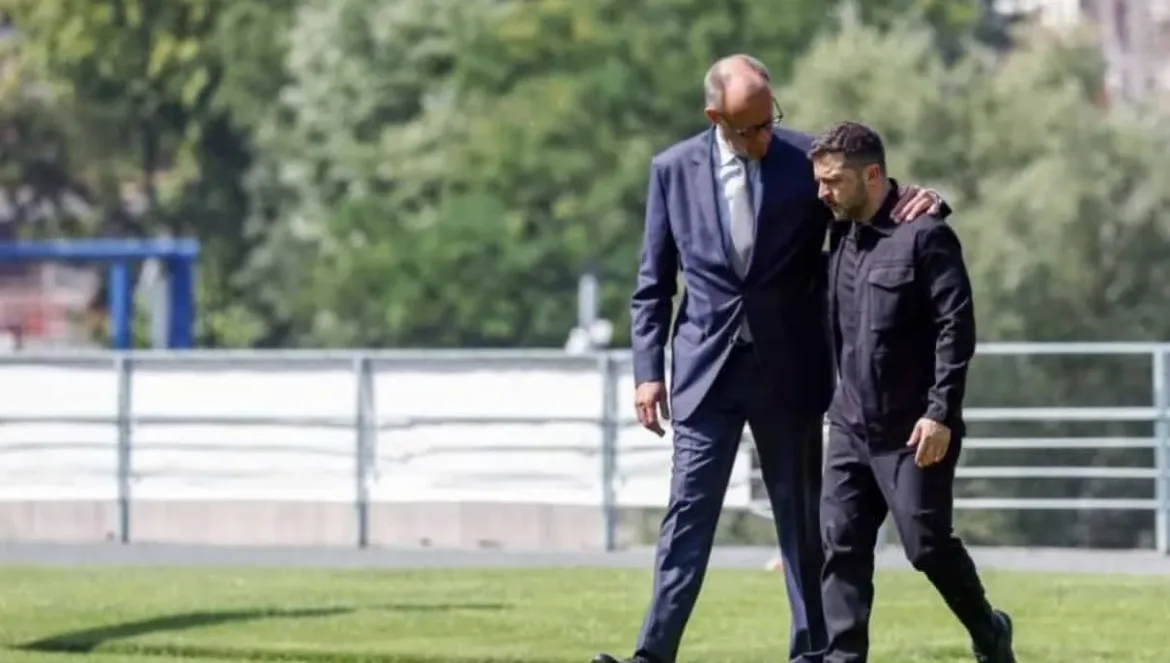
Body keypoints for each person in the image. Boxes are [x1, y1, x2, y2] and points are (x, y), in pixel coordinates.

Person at [593, 55, 947, 663]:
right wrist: (648, 372)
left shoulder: (803, 160)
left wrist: (923, 200)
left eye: (769, 120)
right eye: (750, 128)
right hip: (705, 373)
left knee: (801, 523)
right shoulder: (671, 170)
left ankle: (810, 653)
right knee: (687, 517)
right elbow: (653, 284)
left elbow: (863, 201)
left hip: (789, 371)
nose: (765, 135)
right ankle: (652, 655)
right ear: (716, 118)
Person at [809, 120, 1016, 663]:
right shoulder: (838, 230)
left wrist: (941, 412)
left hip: (914, 429)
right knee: (841, 546)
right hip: (850, 425)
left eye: (833, 181)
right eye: (819, 181)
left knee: (926, 546)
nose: (822, 193)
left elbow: (956, 327)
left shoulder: (925, 235)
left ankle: (989, 630)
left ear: (872, 175)